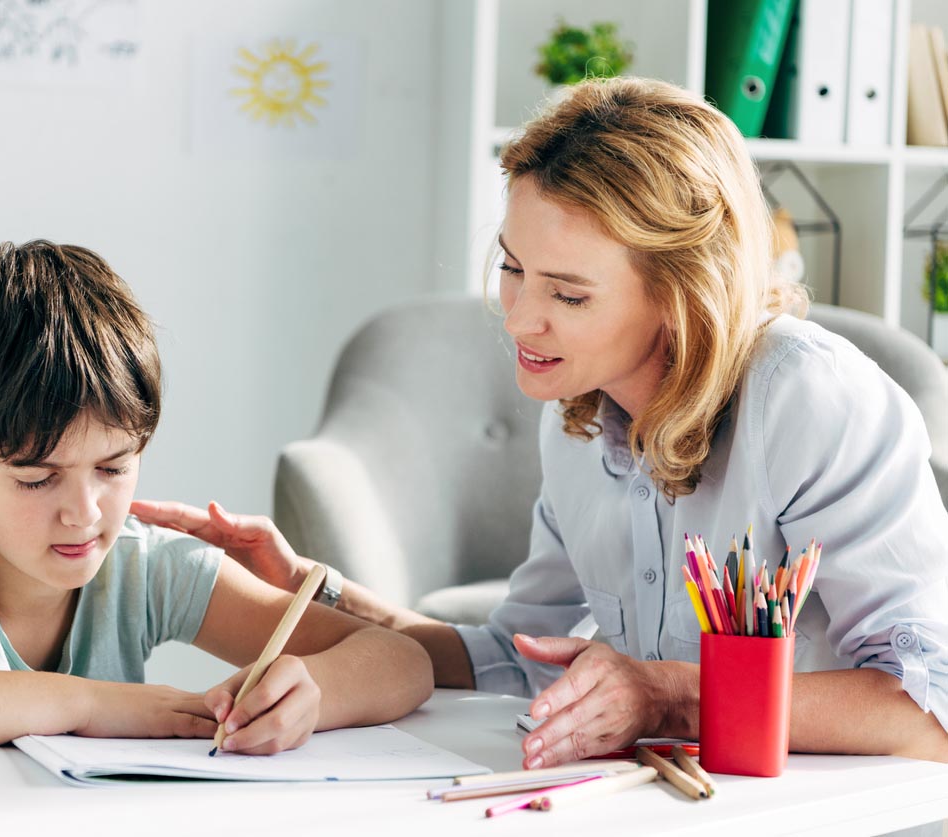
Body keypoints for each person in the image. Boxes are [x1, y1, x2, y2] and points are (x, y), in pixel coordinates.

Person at [131, 77, 948, 768]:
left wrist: (663, 693)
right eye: (514, 270)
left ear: (681, 292)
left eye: (568, 293)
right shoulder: (575, 421)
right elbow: (516, 658)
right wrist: (317, 591)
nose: (519, 321)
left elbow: (928, 708)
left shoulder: (810, 399)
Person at [0, 240, 432, 758]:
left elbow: (402, 660)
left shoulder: (142, 563)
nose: (83, 512)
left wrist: (314, 693)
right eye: (36, 477)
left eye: (113, 467)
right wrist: (89, 703)